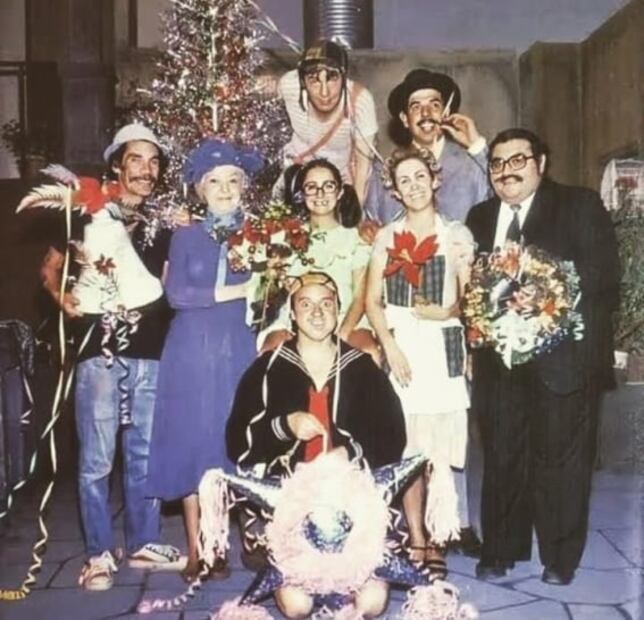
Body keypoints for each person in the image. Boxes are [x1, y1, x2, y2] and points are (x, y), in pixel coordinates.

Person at [466, 128, 620, 585]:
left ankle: (559, 557)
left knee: (561, 463)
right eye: (497, 163)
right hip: (499, 362)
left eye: (518, 160)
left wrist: (548, 294)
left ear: (542, 163)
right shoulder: (479, 217)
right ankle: (500, 549)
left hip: (563, 360)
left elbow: (604, 275)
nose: (506, 171)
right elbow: (471, 288)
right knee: (502, 456)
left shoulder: (579, 204)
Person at [39, 123, 181, 591]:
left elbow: (169, 283)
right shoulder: (85, 210)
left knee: (144, 453)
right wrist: (64, 300)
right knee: (97, 459)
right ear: (117, 164)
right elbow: (50, 269)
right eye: (136, 159)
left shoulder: (164, 222)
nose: (146, 170)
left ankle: (143, 541)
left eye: (154, 161)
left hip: (150, 352)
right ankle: (98, 554)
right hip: (97, 352)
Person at [226, 271, 406, 618]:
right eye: (306, 305)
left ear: (338, 309)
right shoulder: (267, 369)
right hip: (292, 506)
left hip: (351, 503)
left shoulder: (361, 368)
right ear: (292, 314)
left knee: (371, 604)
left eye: (326, 304)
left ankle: (344, 580)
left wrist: (350, 452)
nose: (318, 313)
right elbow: (237, 440)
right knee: (298, 606)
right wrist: (284, 426)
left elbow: (392, 433)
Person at [146, 139, 263, 582]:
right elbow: (177, 294)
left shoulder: (263, 233)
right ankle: (199, 548)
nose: (225, 189)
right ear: (200, 189)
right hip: (191, 350)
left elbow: (271, 289)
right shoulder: (186, 236)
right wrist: (237, 290)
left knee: (236, 439)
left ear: (245, 186)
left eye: (233, 180)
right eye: (214, 181)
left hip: (238, 346)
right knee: (194, 442)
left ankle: (246, 537)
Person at [365, 148, 474, 578]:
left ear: (435, 180)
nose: (413, 186)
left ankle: (439, 537)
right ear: (394, 190)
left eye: (419, 177)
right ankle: (416, 537)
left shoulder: (456, 234)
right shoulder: (387, 237)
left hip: (443, 347)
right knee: (409, 448)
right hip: (404, 349)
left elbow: (471, 300)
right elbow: (372, 301)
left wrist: (447, 312)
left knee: (438, 452)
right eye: (404, 180)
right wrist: (389, 345)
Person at [257, 158, 377, 360]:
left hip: (346, 319)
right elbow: (271, 292)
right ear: (302, 194)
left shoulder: (356, 240)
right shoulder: (285, 238)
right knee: (271, 353)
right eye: (311, 187)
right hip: (295, 320)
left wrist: (343, 333)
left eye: (328, 186)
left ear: (340, 192)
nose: (320, 194)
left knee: (367, 352)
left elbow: (359, 298)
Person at [364, 68, 490, 225]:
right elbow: (371, 222)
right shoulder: (383, 172)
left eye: (434, 105)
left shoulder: (472, 165)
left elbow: (500, 206)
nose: (426, 113)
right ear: (405, 119)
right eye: (416, 107)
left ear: (446, 112)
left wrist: (477, 145)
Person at [277, 39, 378, 206]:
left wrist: (356, 210)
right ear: (303, 82)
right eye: (314, 80)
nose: (324, 92)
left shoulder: (360, 101)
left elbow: (363, 166)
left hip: (341, 175)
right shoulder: (289, 86)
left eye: (332, 78)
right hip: (296, 169)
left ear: (343, 76)